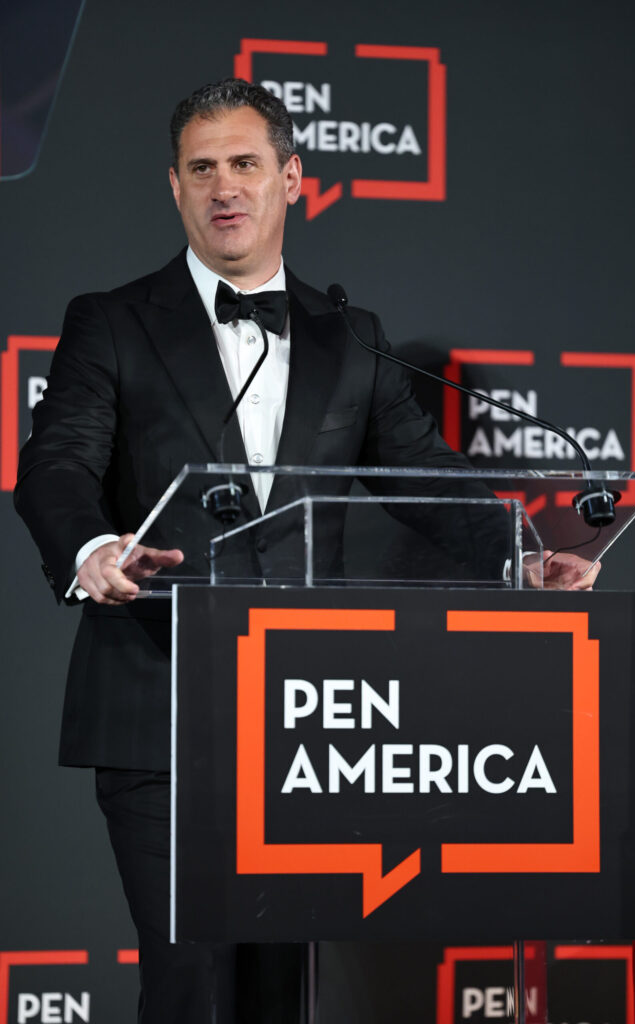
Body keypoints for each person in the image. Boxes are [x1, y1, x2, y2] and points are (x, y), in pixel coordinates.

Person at [14, 78, 599, 1024]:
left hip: (300, 718)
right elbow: (56, 463)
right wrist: (90, 547)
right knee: (191, 981)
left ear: (292, 177)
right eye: (201, 169)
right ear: (174, 188)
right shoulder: (111, 322)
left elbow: (424, 478)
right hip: (157, 708)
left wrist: (524, 555)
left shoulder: (350, 339)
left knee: (279, 991)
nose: (224, 188)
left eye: (245, 164)